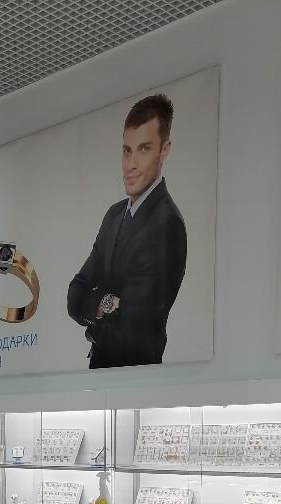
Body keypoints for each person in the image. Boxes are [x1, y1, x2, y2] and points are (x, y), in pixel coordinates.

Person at [67, 93, 187, 369]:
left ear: (164, 151)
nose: (131, 164)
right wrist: (112, 303)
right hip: (99, 377)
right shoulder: (114, 215)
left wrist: (95, 313)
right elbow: (74, 295)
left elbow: (134, 328)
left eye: (144, 149)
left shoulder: (167, 224)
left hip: (138, 379)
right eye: (126, 150)